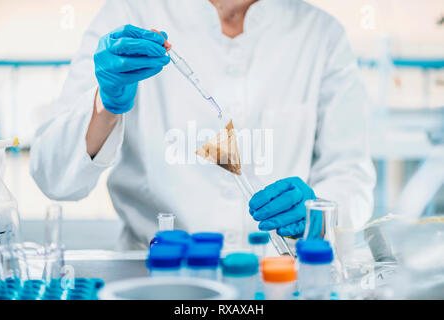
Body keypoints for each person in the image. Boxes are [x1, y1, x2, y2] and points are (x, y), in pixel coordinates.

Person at [30, 0, 376, 250]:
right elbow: (55, 178)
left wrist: (319, 212)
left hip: (279, 273)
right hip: (159, 275)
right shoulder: (132, 13)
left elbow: (351, 173)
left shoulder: (321, 34)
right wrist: (106, 102)